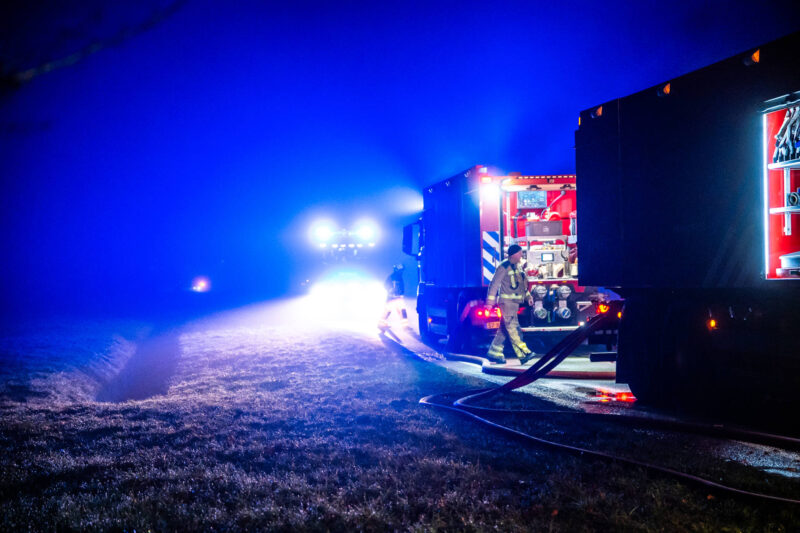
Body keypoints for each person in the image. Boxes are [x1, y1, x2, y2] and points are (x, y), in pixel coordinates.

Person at [485, 244, 535, 365]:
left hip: (514, 303)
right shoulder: (504, 266)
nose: (521, 255)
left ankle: (494, 353)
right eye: (520, 252)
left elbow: (521, 285)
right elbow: (494, 284)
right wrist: (490, 303)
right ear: (514, 254)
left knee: (504, 329)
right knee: (513, 328)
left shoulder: (518, 267)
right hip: (506, 304)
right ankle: (523, 353)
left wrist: (528, 296)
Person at [379, 264, 408, 329]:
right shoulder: (392, 277)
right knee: (388, 311)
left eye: (402, 270)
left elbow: (401, 287)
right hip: (392, 297)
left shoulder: (399, 277)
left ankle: (405, 326)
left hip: (397, 297)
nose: (401, 271)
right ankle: (381, 324)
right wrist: (390, 291)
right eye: (400, 270)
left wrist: (401, 293)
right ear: (397, 270)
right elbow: (386, 285)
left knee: (401, 311)